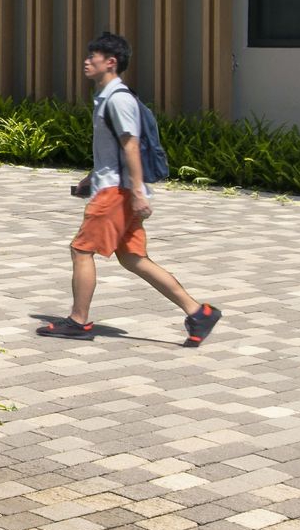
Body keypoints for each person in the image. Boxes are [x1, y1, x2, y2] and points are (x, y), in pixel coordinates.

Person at [39, 32, 220, 345]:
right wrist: (90, 178)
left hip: (117, 194)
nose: (86, 61)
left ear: (110, 62)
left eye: (92, 57)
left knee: (81, 250)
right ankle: (198, 313)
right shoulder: (110, 96)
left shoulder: (118, 99)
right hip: (116, 187)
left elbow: (131, 145)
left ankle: (78, 321)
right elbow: (115, 151)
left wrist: (136, 192)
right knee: (133, 259)